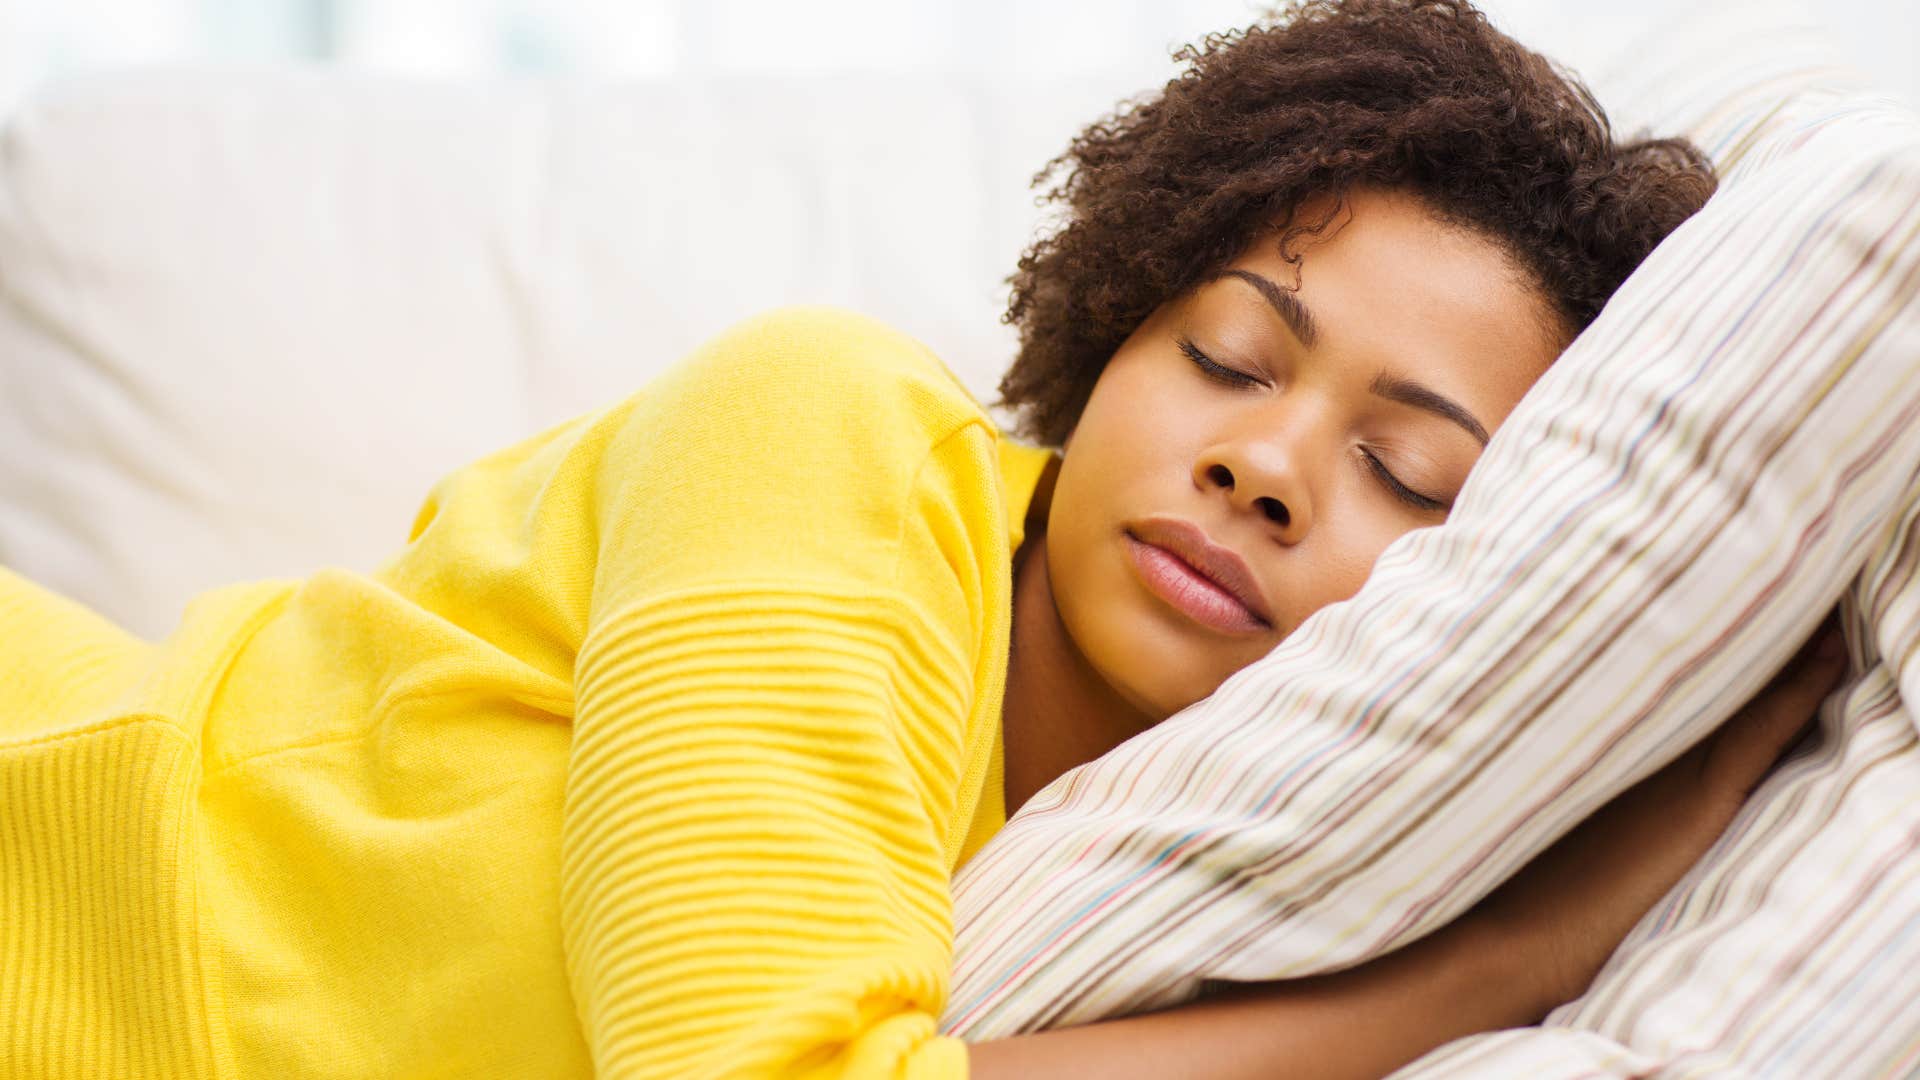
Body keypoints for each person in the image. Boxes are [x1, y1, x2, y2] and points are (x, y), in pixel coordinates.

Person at [0, 1, 1844, 1077]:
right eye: (1225, 351)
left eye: (1410, 476)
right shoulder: (828, 428)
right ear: (1114, 325)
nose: (1267, 464)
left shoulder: (1231, 865)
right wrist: (1494, 975)